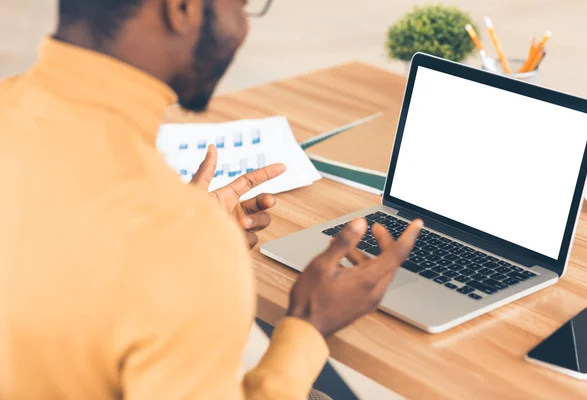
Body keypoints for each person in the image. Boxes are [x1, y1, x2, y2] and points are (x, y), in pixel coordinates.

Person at [0, 0, 423, 399]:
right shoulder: (183, 234)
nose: (242, 30)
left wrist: (177, 248)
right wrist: (309, 323)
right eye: (239, 7)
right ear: (181, 9)